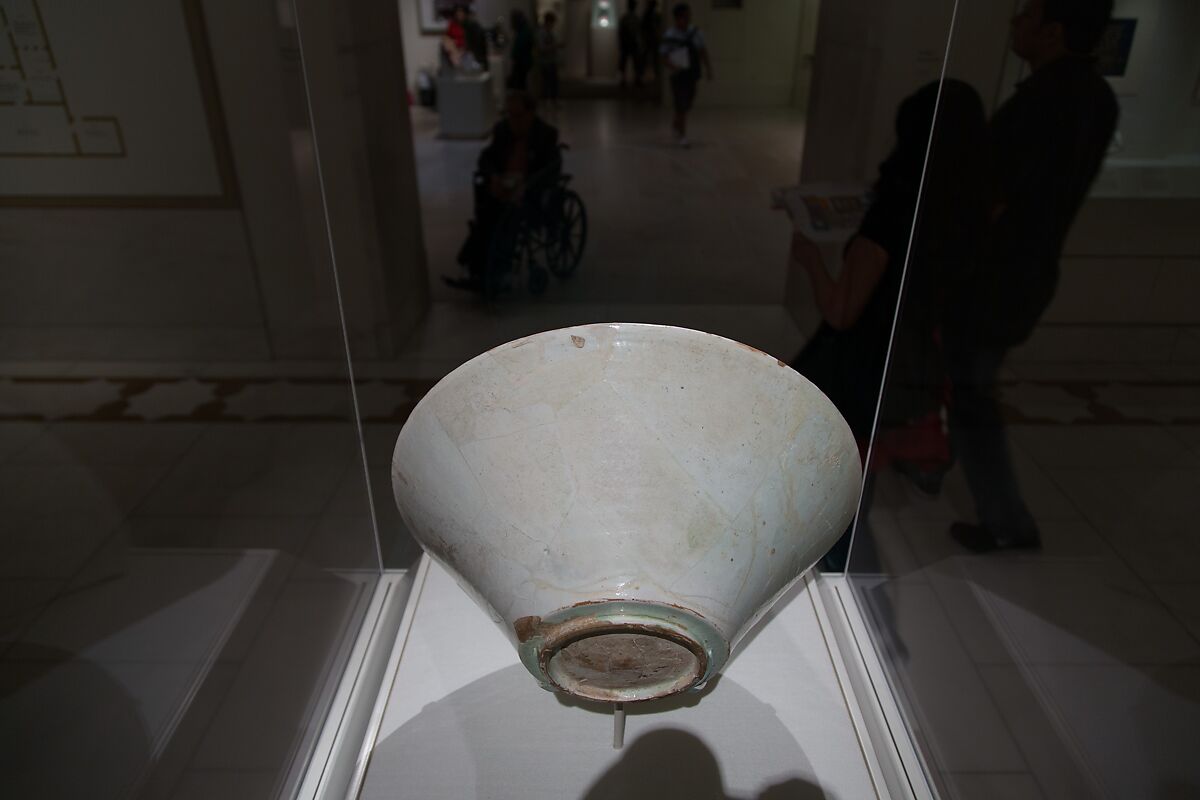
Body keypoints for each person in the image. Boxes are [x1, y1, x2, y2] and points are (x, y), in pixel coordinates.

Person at [945, 0, 1118, 553]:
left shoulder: (1040, 102)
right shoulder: (1099, 96)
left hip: (996, 275)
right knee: (970, 384)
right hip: (1032, 271)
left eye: (1026, 15)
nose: (1014, 23)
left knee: (972, 394)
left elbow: (991, 199)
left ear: (1053, 30)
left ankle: (1007, 522)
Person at [445, 92, 562, 293]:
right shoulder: (503, 130)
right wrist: (494, 177)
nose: (513, 120)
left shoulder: (545, 134)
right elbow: (487, 158)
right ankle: (477, 268)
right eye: (509, 115)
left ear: (530, 113)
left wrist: (525, 184)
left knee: (509, 221)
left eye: (518, 115)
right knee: (486, 219)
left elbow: (550, 169)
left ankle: (497, 269)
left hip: (528, 192)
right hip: (503, 188)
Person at [660, 3, 712, 147]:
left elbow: (703, 51)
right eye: (685, 16)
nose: (688, 19)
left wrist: (708, 69)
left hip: (692, 74)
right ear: (678, 18)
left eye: (689, 16)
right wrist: (673, 66)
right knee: (681, 105)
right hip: (678, 76)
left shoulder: (696, 33)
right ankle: (682, 136)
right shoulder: (670, 35)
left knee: (687, 104)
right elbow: (663, 56)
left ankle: (676, 123)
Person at [536, 11, 562, 106]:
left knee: (554, 82)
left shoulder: (552, 32)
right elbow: (541, 48)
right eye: (552, 22)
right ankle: (546, 100)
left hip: (552, 61)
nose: (553, 25)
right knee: (546, 82)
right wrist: (554, 46)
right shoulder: (541, 33)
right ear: (548, 22)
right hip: (545, 62)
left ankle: (554, 100)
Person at [507, 10, 534, 90]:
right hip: (523, 61)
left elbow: (519, 48)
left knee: (520, 85)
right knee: (521, 84)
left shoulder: (524, 31)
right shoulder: (524, 30)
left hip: (522, 62)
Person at [639, 0, 664, 86]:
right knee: (647, 60)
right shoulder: (649, 15)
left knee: (653, 60)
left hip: (652, 41)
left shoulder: (654, 15)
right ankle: (645, 77)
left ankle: (653, 77)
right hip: (650, 41)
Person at [618, 1, 642, 88]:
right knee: (628, 62)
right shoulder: (633, 18)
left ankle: (633, 79)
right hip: (629, 43)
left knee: (633, 62)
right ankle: (629, 79)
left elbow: (621, 32)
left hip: (629, 43)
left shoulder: (628, 18)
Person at [440, 4, 469, 71]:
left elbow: (469, 41)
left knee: (456, 54)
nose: (459, 13)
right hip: (454, 49)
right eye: (458, 11)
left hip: (464, 48)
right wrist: (452, 43)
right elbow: (446, 37)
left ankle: (457, 62)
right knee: (446, 40)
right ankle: (457, 62)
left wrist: (462, 49)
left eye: (461, 11)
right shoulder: (452, 24)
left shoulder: (469, 25)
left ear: (465, 13)